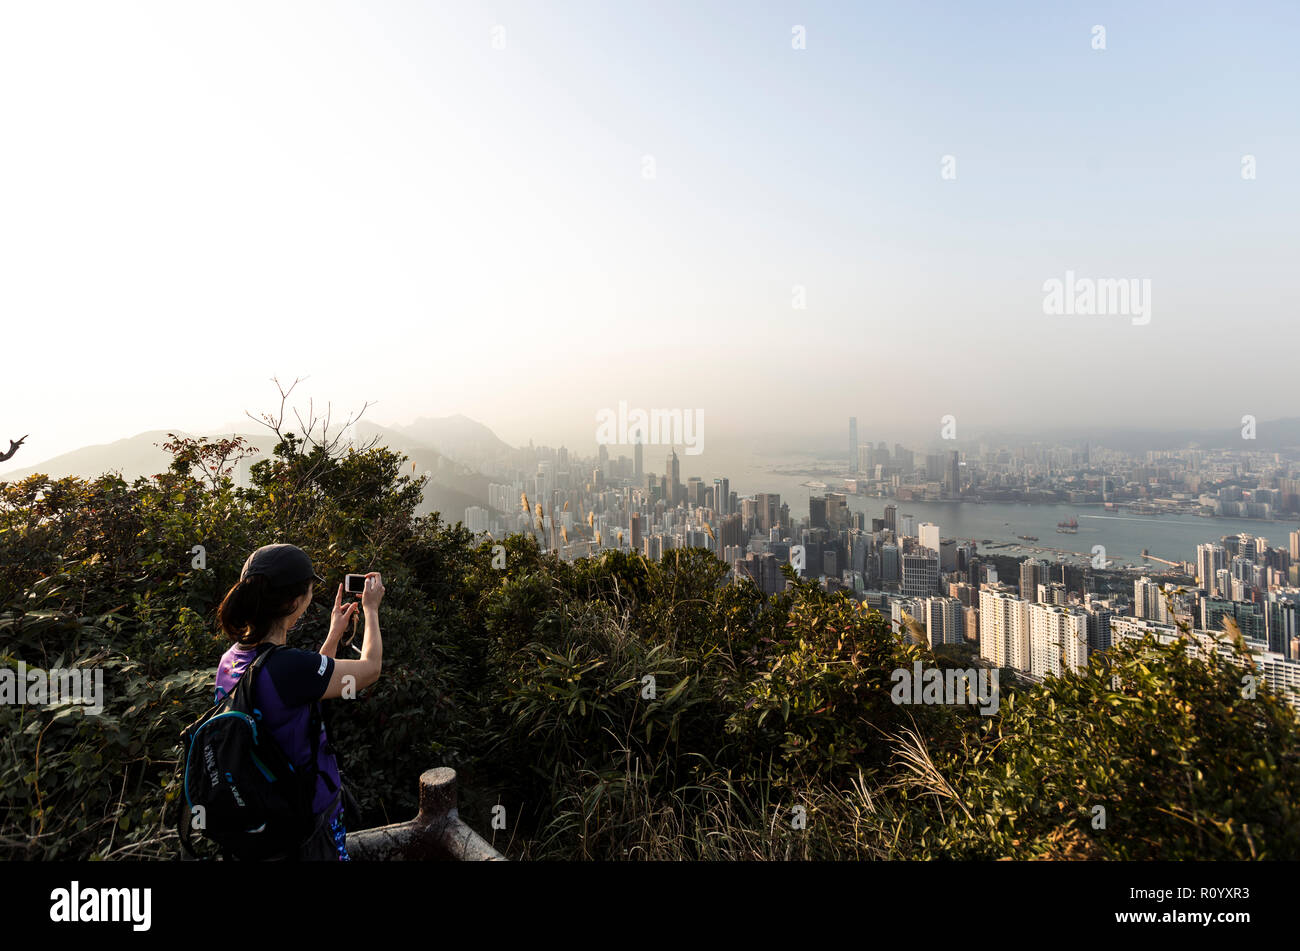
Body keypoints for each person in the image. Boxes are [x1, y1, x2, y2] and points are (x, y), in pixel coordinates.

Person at [213, 543, 384, 860]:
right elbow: (371, 669)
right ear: (294, 602)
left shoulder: (232, 659)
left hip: (263, 817)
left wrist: (334, 635)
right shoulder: (288, 667)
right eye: (308, 589)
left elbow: (299, 689)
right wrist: (372, 610)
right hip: (306, 824)